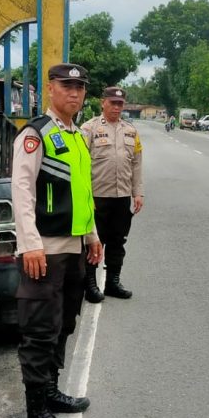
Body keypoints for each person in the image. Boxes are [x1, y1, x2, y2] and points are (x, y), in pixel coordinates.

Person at [11, 63, 103, 418]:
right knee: (39, 332)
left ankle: (51, 391)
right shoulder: (35, 134)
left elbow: (82, 193)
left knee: (64, 324)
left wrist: (93, 236)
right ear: (50, 89)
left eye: (80, 87)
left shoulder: (78, 136)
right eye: (67, 86)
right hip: (44, 251)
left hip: (74, 247)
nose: (75, 93)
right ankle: (36, 414)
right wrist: (30, 244)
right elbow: (21, 190)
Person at [81, 86, 144, 303]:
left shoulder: (131, 131)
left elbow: (136, 164)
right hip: (97, 196)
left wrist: (138, 193)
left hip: (122, 197)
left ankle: (112, 283)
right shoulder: (89, 129)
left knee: (118, 241)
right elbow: (80, 165)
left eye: (120, 104)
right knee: (94, 241)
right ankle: (90, 284)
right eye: (112, 103)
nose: (116, 107)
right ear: (103, 103)